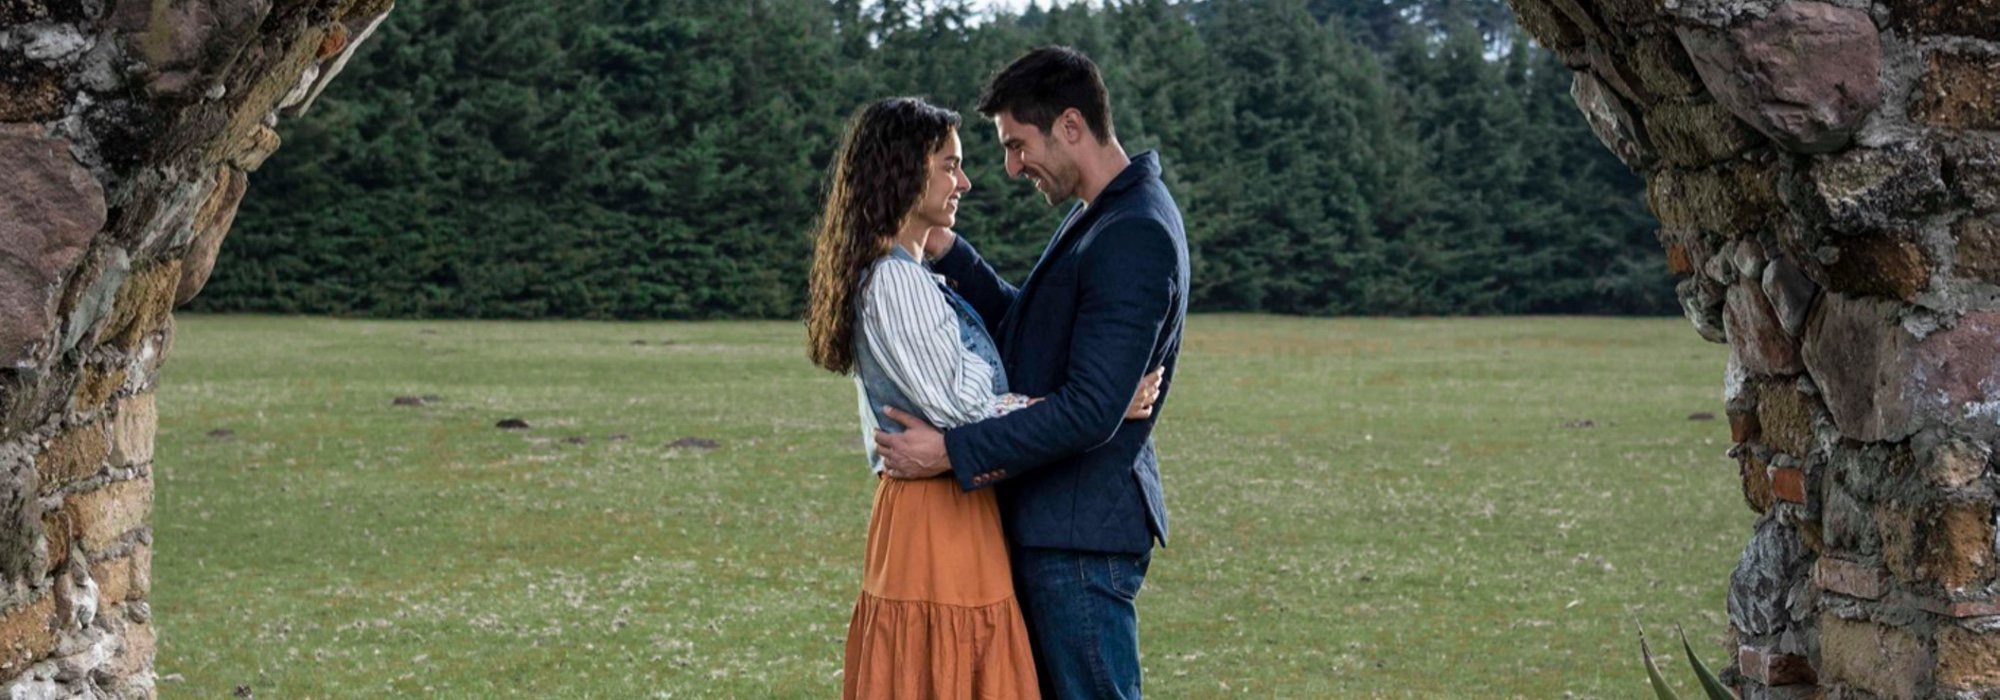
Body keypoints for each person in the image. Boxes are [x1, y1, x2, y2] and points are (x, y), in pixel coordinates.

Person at [804, 97, 1161, 699]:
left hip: (953, 500)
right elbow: (964, 407)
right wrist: (1092, 402)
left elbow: (996, 357)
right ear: (903, 171)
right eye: (950, 166)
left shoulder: (910, 275)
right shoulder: (895, 282)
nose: (964, 182)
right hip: (936, 511)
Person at [875, 47, 1190, 700]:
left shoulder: (1134, 232)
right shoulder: (1101, 216)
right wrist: (948, 251)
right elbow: (1036, 334)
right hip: (1061, 529)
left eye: (1018, 145)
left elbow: (1087, 409)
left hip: (1077, 541)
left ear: (1070, 125)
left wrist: (949, 452)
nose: (1013, 168)